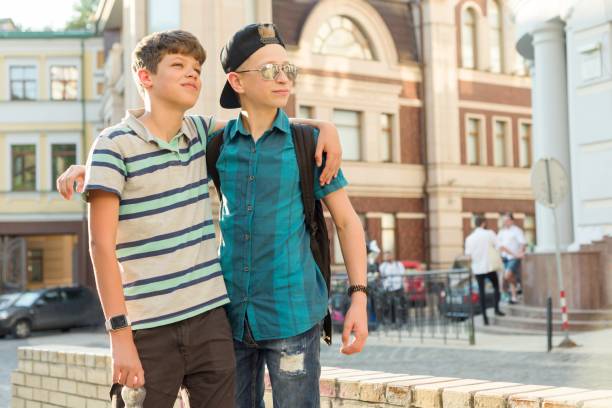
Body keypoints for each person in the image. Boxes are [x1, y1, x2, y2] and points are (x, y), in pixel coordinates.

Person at [61, 29, 344, 408]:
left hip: (211, 321)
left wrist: (326, 127)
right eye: (178, 65)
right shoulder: (113, 146)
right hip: (149, 327)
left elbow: (260, 119)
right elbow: (100, 247)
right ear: (145, 77)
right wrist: (119, 335)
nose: (193, 73)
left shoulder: (199, 133)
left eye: (197, 67)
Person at [212, 23, 368, 407]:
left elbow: (347, 222)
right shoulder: (215, 144)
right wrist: (94, 168)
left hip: (293, 315)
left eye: (287, 68)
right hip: (230, 314)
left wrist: (360, 298)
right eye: (268, 70)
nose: (283, 77)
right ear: (237, 81)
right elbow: (161, 146)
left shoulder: (310, 145)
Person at [464, 216, 505, 325]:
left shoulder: (469, 238)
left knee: (481, 292)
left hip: (477, 269)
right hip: (490, 266)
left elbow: (468, 257)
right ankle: (496, 309)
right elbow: (499, 246)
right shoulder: (489, 233)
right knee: (496, 287)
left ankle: (485, 319)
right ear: (483, 223)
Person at [497, 212, 527, 304]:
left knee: (507, 275)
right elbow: (499, 246)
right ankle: (514, 297)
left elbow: (523, 243)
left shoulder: (517, 230)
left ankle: (517, 284)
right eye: (504, 220)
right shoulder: (501, 232)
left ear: (511, 220)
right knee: (508, 277)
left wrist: (519, 253)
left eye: (507, 220)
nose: (505, 222)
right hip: (504, 257)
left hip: (514, 257)